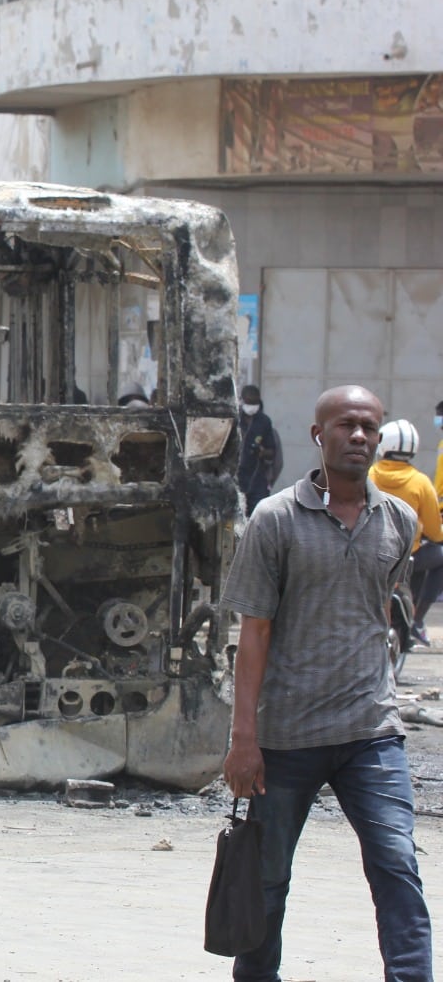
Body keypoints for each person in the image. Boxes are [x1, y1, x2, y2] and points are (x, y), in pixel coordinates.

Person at [220, 384, 432, 982]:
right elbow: (254, 632)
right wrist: (244, 738)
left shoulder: (400, 519)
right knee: (267, 878)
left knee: (397, 865)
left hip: (371, 730)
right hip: (287, 736)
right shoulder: (275, 519)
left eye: (369, 426)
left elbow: (382, 610)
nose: (358, 436)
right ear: (319, 435)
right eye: (345, 425)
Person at [372, 418, 443, 646]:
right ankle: (418, 620)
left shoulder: (368, 476)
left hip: (370, 554)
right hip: (408, 556)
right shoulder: (420, 482)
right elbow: (435, 531)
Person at [238, 384, 281, 514]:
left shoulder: (264, 422)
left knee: (257, 515)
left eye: (254, 403)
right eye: (249, 402)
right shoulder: (235, 419)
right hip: (237, 478)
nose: (251, 406)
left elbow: (273, 452)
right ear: (242, 400)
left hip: (257, 479)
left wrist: (262, 452)